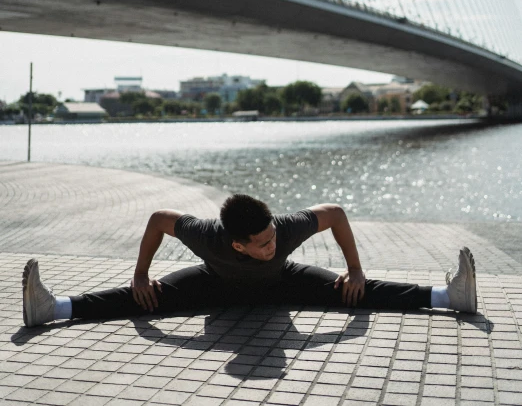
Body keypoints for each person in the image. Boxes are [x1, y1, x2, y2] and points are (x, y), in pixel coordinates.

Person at [22, 194, 477, 327]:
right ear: (236, 244)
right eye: (260, 243)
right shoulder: (208, 237)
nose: (270, 243)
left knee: (352, 291)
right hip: (214, 284)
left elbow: (335, 213)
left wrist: (355, 268)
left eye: (271, 235)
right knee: (144, 297)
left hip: (283, 284)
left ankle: (448, 296)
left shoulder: (284, 229)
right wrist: (140, 274)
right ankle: (53, 308)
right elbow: (159, 218)